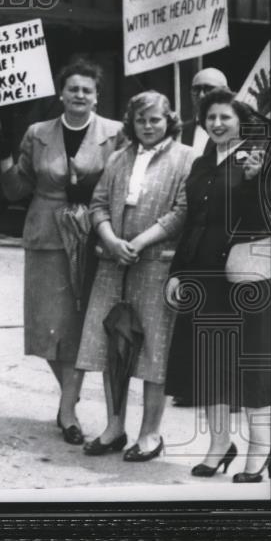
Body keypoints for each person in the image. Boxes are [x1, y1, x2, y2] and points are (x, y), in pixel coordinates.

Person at [0, 59, 125, 445]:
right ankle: (70, 401)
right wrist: (3, 161)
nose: (80, 96)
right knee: (50, 325)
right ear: (61, 93)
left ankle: (67, 407)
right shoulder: (38, 133)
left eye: (87, 90)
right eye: (73, 89)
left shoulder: (116, 133)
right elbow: (17, 189)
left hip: (95, 235)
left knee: (86, 321)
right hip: (47, 235)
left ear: (97, 95)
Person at [75, 91, 195, 460]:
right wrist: (111, 240)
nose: (148, 126)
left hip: (155, 264)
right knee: (114, 346)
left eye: (155, 119)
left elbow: (181, 210)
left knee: (152, 352)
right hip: (113, 265)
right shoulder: (118, 158)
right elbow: (97, 204)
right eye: (141, 120)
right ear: (132, 122)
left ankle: (150, 434)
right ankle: (114, 427)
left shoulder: (185, 158)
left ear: (168, 120)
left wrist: (140, 242)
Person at [164, 89, 271, 482]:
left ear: (240, 119)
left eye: (225, 117)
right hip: (204, 278)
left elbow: (267, 218)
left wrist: (255, 181)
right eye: (210, 118)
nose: (217, 124)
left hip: (244, 278)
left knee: (250, 364)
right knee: (211, 366)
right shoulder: (199, 164)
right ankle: (219, 444)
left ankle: (261, 448)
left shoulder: (259, 159)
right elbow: (192, 223)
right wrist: (177, 272)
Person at [180, 67, 229, 155]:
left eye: (209, 89)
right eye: (196, 89)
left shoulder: (235, 129)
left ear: (225, 92)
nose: (201, 95)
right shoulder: (181, 131)